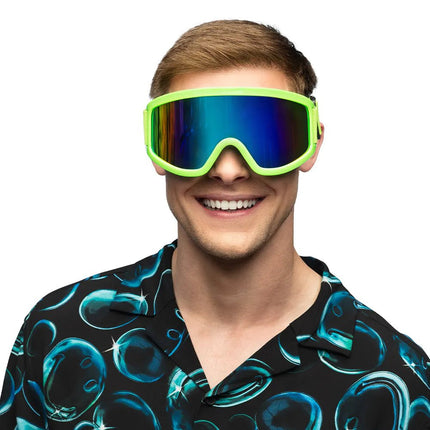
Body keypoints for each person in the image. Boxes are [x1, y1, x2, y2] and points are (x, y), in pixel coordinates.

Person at [0, 19, 429, 430]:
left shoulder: (399, 383)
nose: (227, 170)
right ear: (154, 147)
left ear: (312, 143)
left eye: (265, 136)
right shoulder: (59, 333)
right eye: (193, 136)